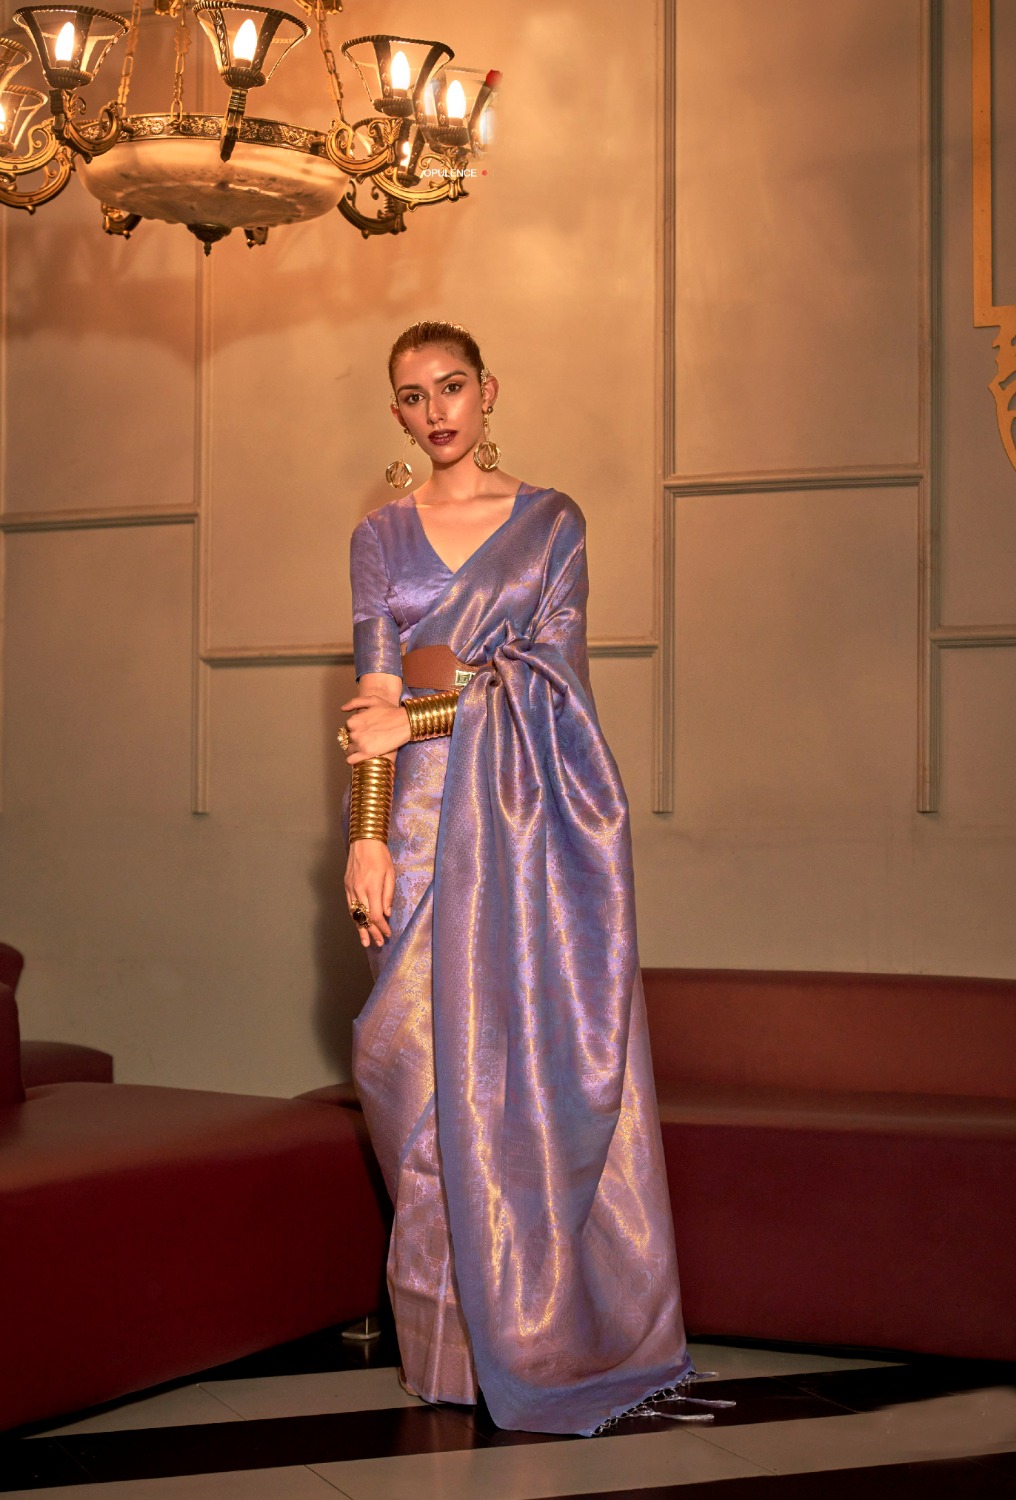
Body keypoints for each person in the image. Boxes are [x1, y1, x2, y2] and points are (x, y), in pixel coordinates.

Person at [338, 320, 727, 1436]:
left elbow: (551, 682)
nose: (435, 410)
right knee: (407, 1076)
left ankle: (545, 1331)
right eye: (412, 395)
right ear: (396, 410)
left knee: (517, 1072)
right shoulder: (379, 535)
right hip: (416, 828)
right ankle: (443, 1355)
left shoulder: (552, 523)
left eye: (451, 386)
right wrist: (367, 840)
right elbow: (374, 703)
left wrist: (417, 715)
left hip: (524, 822)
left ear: (487, 390)